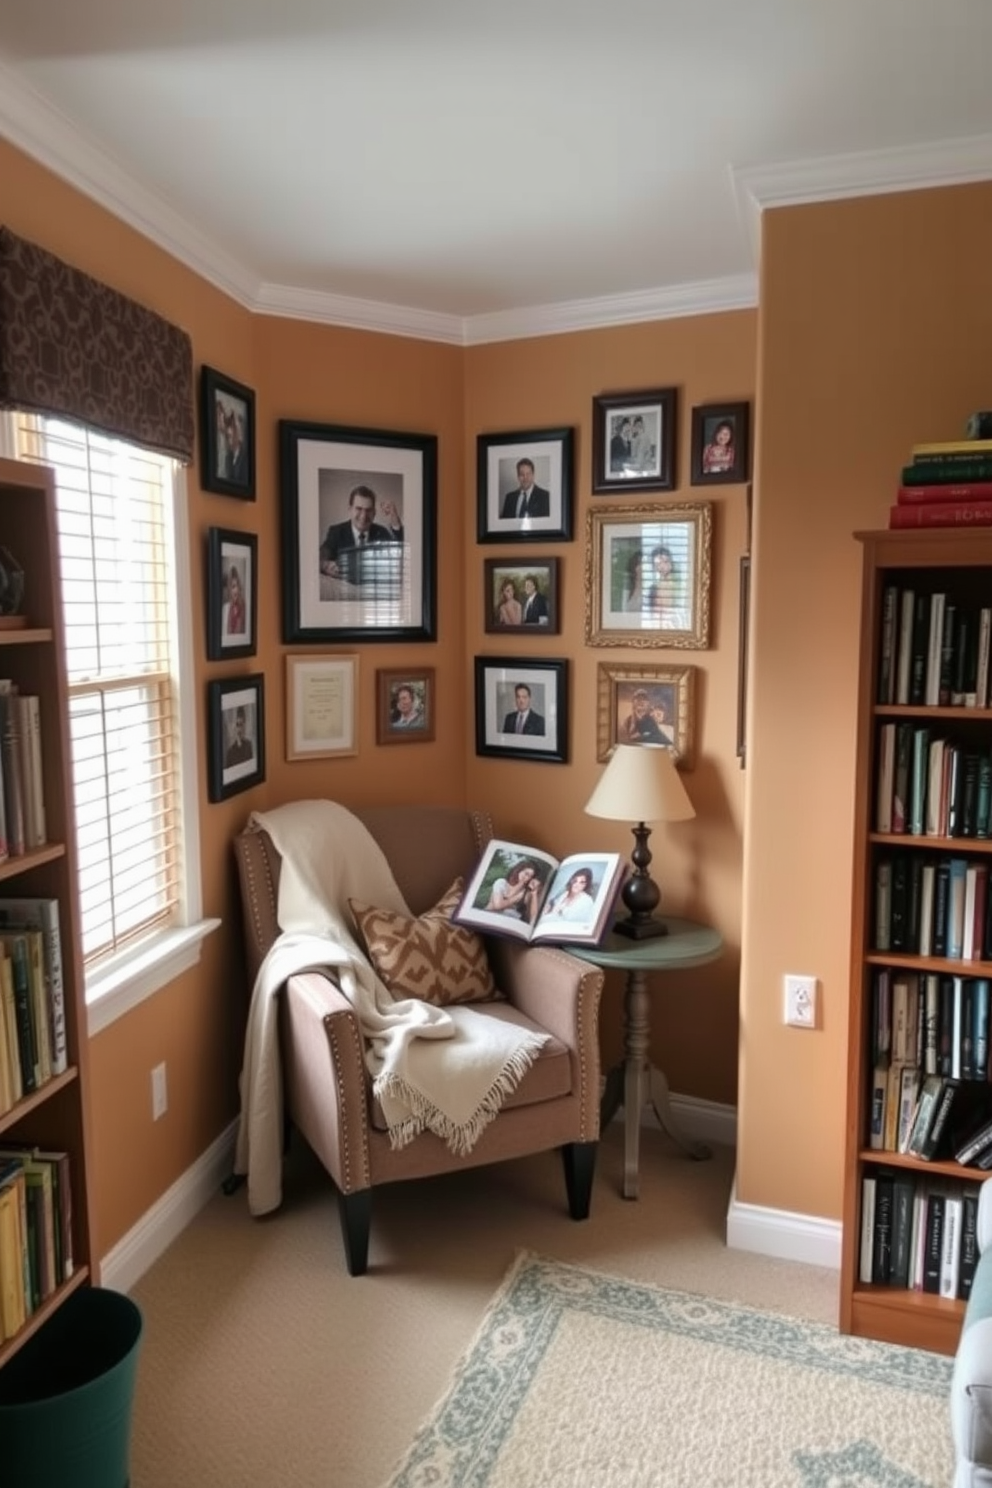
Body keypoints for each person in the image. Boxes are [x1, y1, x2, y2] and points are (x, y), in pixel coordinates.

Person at [319, 484, 404, 576]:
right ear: (350, 510)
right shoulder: (336, 532)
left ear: (374, 513)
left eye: (368, 510)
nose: (363, 516)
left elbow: (401, 556)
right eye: (359, 509)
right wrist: (325, 565)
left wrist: (395, 522)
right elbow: (319, 559)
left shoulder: (382, 532)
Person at [647, 545, 680, 613]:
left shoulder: (679, 586)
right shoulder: (653, 589)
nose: (662, 566)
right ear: (654, 567)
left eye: (665, 561)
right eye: (658, 564)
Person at [221, 565, 246, 639]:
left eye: (237, 586)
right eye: (233, 587)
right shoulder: (225, 609)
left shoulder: (244, 608)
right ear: (229, 589)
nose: (236, 590)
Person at [227, 410, 249, 485]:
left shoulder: (246, 458)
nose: (229, 431)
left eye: (234, 427)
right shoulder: (228, 457)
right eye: (228, 426)